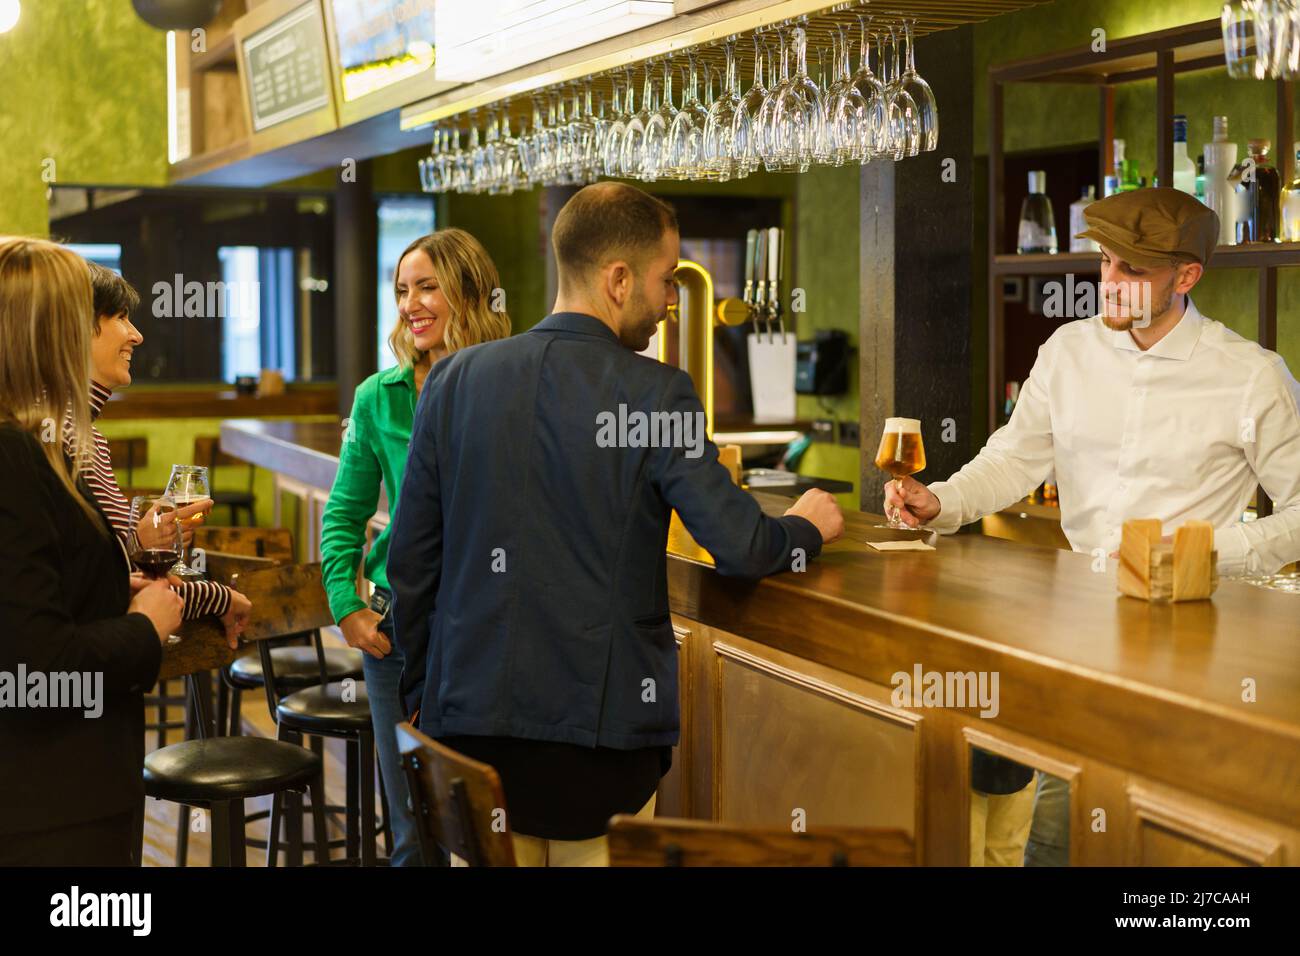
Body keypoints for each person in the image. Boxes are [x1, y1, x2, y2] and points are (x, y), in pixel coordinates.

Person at [389, 182, 844, 867]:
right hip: (596, 743)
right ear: (618, 278)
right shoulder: (656, 391)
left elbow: (412, 562)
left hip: (468, 732)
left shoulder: (454, 379)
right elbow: (743, 545)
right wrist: (806, 526)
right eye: (666, 280)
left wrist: (422, 695)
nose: (670, 300)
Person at [885, 187, 1300, 867]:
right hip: (1072, 628)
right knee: (1058, 824)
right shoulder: (1067, 351)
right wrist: (945, 501)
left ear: (1186, 277)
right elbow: (1016, 456)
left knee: (1143, 829)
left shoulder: (1252, 378)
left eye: (1132, 271)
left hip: (1188, 640)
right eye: (1105, 263)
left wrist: (1200, 554)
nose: (1108, 284)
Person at [320, 229, 511, 866]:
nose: (411, 304)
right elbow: (344, 515)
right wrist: (346, 605)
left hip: (490, 629)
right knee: (412, 831)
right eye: (403, 290)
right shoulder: (378, 397)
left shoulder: (512, 383)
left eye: (428, 286)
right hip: (398, 630)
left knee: (491, 825)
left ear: (470, 291)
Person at [0, 237, 182, 865]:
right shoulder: (17, 456)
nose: (128, 333)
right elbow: (33, 669)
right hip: (52, 804)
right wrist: (144, 626)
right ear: (45, 331)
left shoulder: (34, 444)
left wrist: (111, 587)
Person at [75, 263, 250, 641]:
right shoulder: (65, 436)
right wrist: (217, 597)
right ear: (73, 328)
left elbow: (115, 570)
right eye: (121, 317)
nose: (136, 336)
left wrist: (143, 538)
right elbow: (105, 588)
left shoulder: (82, 431)